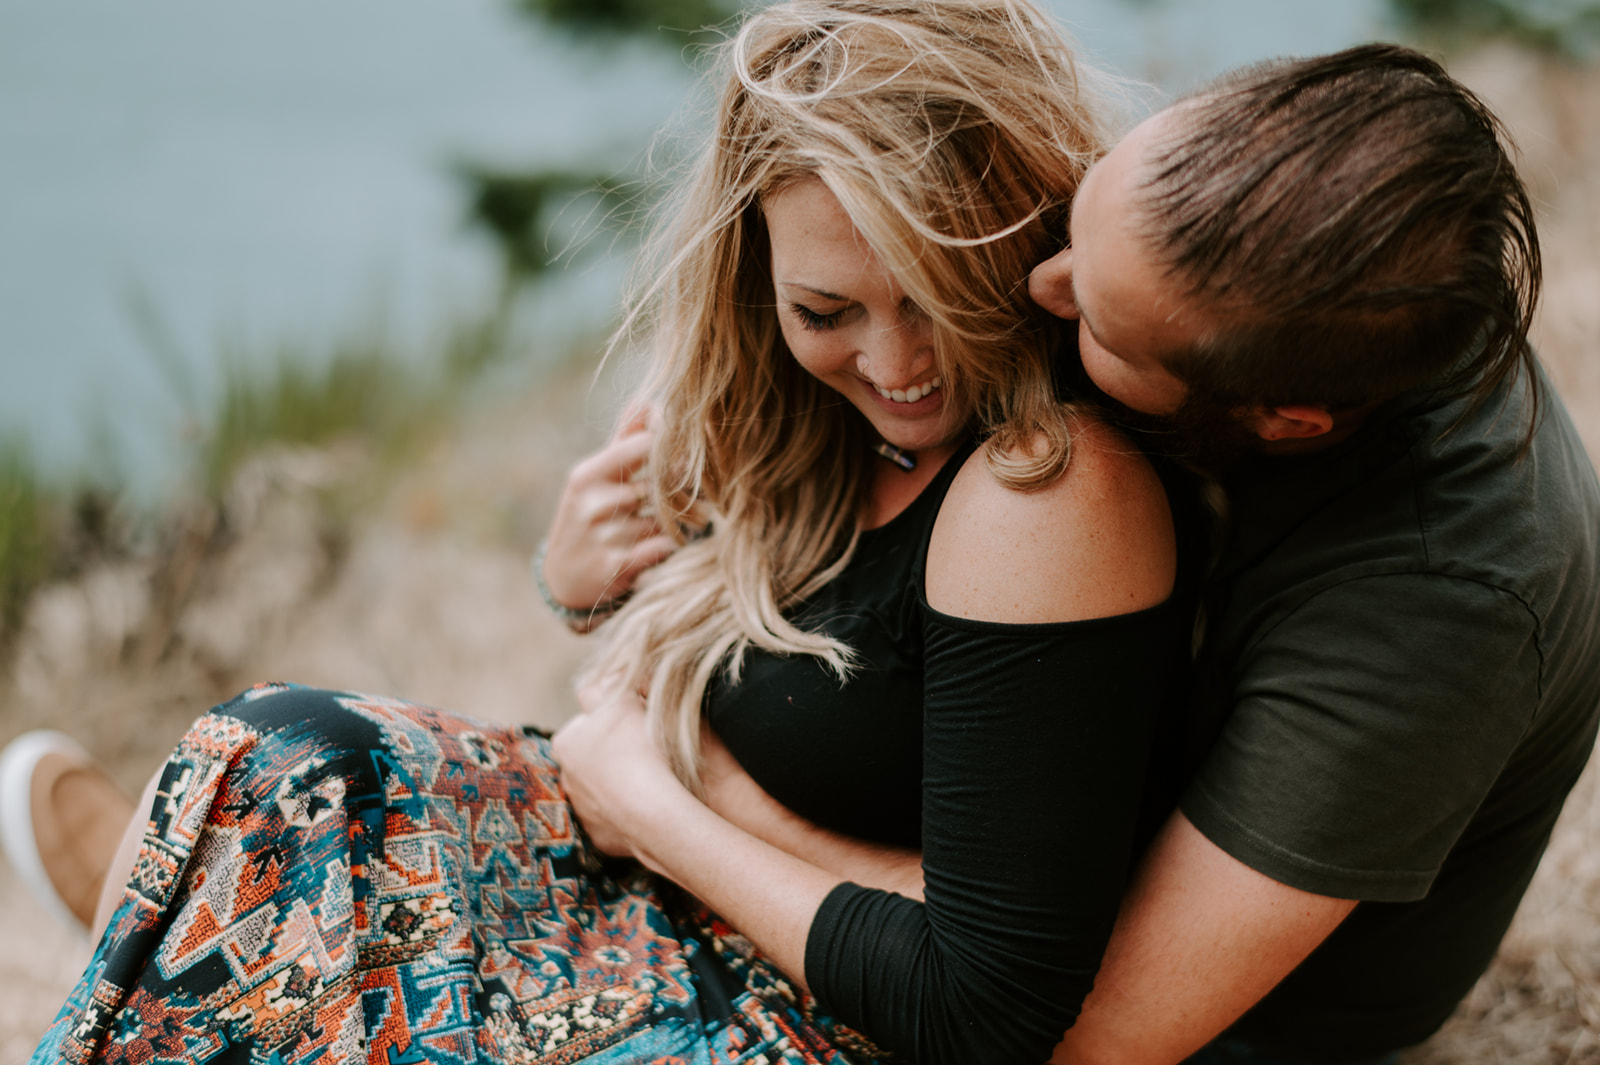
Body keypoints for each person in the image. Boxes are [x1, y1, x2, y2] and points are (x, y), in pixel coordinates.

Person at [6, 3, 1190, 1065]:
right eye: (825, 310)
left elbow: (987, 999)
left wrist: (668, 808)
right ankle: (167, 920)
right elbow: (832, 690)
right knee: (282, 761)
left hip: (788, 1006)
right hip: (643, 893)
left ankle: (148, 917)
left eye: (935, 297)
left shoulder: (1049, 492)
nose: (892, 365)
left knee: (262, 908)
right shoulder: (808, 425)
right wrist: (578, 581)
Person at [563, 43, 1600, 1065]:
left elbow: (1081, 1031)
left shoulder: (1434, 604)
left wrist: (682, 802)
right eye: (1081, 224)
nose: (1040, 290)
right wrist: (591, 581)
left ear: (1283, 422)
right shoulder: (1262, 212)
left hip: (1234, 1028)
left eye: (1095, 319)